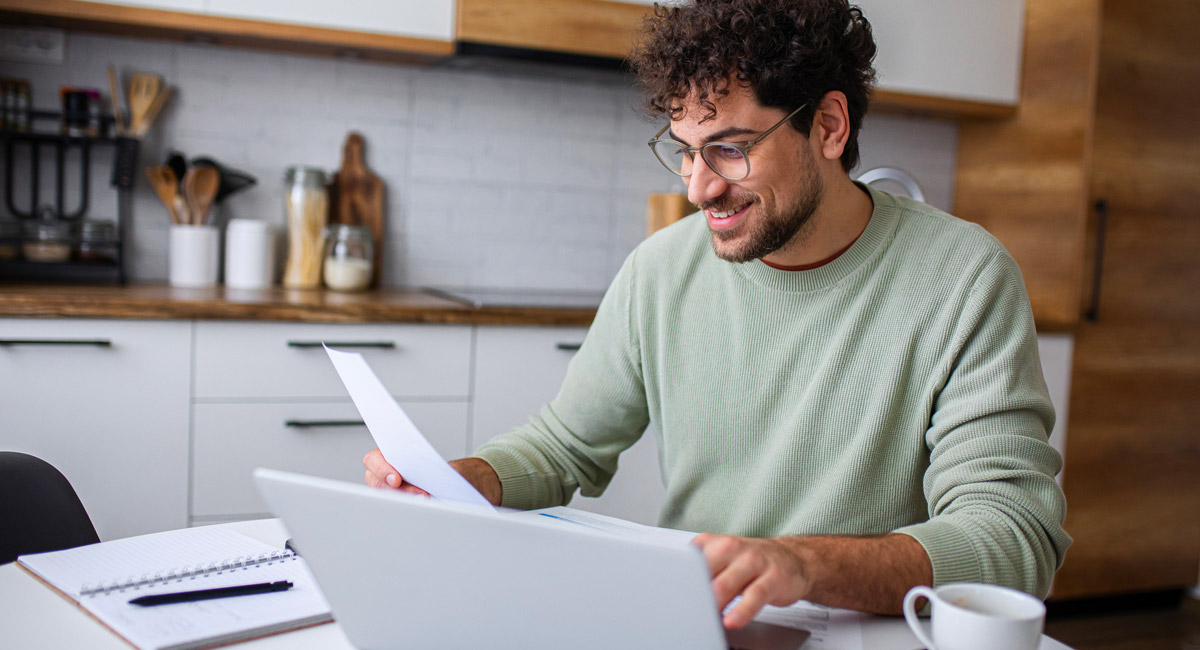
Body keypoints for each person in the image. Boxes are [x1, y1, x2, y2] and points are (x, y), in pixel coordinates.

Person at [365, 0, 1071, 629]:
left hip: (871, 629)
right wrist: (464, 480)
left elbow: (1011, 537)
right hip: (702, 624)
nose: (700, 187)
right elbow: (564, 447)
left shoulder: (965, 277)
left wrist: (804, 564)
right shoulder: (662, 269)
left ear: (828, 126)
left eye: (730, 149)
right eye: (685, 153)